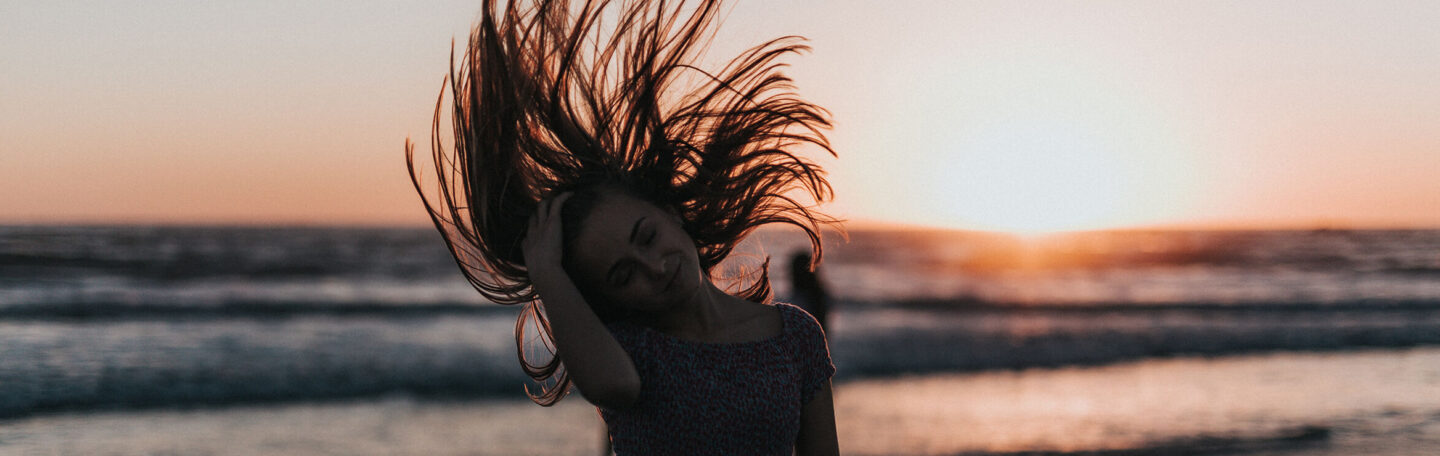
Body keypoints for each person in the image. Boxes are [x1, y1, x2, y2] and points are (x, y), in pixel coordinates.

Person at [405, 0, 840, 454]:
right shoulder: (632, 352)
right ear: (612, 298)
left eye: (647, 236)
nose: (652, 267)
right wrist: (548, 273)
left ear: (669, 212)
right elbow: (612, 385)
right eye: (623, 275)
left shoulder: (794, 336)